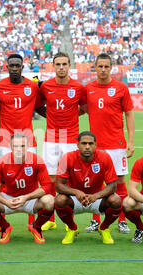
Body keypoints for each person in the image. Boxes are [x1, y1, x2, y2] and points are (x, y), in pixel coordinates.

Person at [0, 53, 45, 232]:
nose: (14, 68)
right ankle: (1, 222)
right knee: (3, 179)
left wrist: (62, 119)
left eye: (17, 66)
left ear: (22, 67)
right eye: (11, 65)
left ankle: (31, 222)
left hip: (28, 140)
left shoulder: (32, 87)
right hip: (4, 140)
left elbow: (39, 108)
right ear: (7, 67)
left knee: (31, 179)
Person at [84, 52, 135, 234]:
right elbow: (80, 109)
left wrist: (130, 141)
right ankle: (95, 220)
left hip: (116, 143)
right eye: (100, 66)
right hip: (94, 145)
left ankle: (122, 220)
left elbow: (129, 114)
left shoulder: (121, 88)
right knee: (96, 183)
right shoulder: (88, 88)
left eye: (107, 66)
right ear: (95, 67)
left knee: (119, 181)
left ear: (111, 68)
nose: (103, 70)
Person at [39, 51, 87, 231]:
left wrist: (71, 116)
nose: (61, 68)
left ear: (69, 65)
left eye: (64, 64)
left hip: (71, 137)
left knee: (71, 179)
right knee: (50, 178)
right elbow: (38, 104)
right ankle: (50, 219)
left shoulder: (78, 87)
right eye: (57, 64)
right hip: (51, 137)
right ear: (53, 66)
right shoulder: (46, 86)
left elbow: (83, 108)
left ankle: (69, 220)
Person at [0, 133, 54, 244]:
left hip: (30, 199)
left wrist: (27, 197)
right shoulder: (1, 162)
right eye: (15, 146)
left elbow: (47, 186)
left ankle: (37, 227)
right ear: (10, 147)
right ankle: (5, 227)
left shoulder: (37, 160)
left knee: (50, 201)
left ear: (28, 146)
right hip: (8, 199)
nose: (19, 149)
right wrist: (5, 201)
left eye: (22, 146)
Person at [54, 131, 122, 245]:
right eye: (84, 143)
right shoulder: (68, 157)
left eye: (90, 144)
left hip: (97, 199)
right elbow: (58, 185)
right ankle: (72, 228)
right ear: (77, 145)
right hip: (75, 199)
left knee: (116, 200)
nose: (87, 147)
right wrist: (76, 192)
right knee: (59, 200)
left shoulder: (104, 157)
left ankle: (104, 228)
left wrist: (96, 195)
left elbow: (113, 186)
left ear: (95, 145)